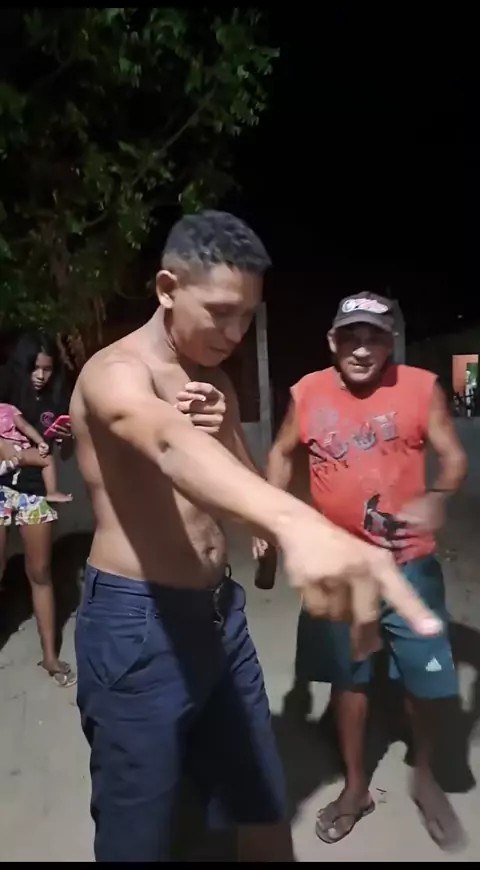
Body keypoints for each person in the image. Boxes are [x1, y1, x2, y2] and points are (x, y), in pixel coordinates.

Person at [71, 213, 442, 863]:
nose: (235, 333)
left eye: (247, 316)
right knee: (139, 835)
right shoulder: (115, 372)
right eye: (221, 313)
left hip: (221, 615)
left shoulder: (212, 379)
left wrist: (224, 432)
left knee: (262, 805)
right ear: (167, 288)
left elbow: (240, 480)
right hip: (139, 623)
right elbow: (165, 442)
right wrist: (302, 526)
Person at [266, 291, 468, 850]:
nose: (361, 349)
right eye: (350, 337)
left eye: (373, 337)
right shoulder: (308, 392)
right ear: (332, 341)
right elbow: (282, 452)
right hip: (340, 569)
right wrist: (272, 515)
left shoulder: (420, 387)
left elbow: (453, 457)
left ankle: (424, 775)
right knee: (348, 681)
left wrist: (438, 496)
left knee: (427, 680)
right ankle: (356, 788)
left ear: (390, 342)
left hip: (409, 564)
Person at [0, 332, 76, 687]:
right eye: (35, 368)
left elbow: (64, 454)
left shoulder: (57, 398)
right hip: (1, 486)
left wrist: (67, 439)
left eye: (47, 369)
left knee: (41, 571)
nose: (41, 376)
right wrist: (24, 454)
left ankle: (50, 656)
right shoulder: (6, 388)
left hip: (35, 493)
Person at [0, 402, 72, 503]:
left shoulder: (8, 409)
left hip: (9, 458)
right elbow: (25, 426)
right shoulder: (8, 409)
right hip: (16, 452)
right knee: (47, 459)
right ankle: (52, 493)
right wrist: (40, 442)